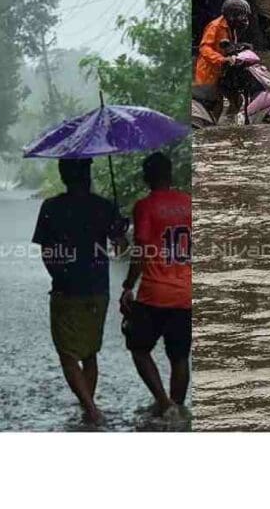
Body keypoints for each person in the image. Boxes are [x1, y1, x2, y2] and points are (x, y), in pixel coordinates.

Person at [32, 158, 125, 425]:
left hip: (66, 289)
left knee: (68, 354)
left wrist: (57, 275)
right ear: (88, 174)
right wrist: (120, 230)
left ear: (63, 175)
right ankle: (88, 408)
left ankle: (91, 410)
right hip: (98, 288)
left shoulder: (51, 207)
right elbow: (121, 248)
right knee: (89, 352)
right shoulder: (104, 206)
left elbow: (46, 251)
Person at [119, 152, 192, 416]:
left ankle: (164, 403)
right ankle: (179, 407)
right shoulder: (190, 203)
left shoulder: (145, 206)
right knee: (179, 356)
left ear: (146, 178)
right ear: (170, 175)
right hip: (186, 292)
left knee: (138, 348)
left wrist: (128, 286)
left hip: (154, 294)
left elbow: (140, 251)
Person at [193, 0, 252, 121]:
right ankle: (212, 129)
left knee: (237, 100)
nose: (244, 19)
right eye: (241, 16)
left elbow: (227, 46)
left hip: (222, 72)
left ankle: (228, 124)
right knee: (217, 103)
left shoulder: (232, 28)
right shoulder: (215, 26)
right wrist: (222, 59)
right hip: (209, 72)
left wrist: (239, 48)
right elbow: (204, 48)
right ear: (232, 15)